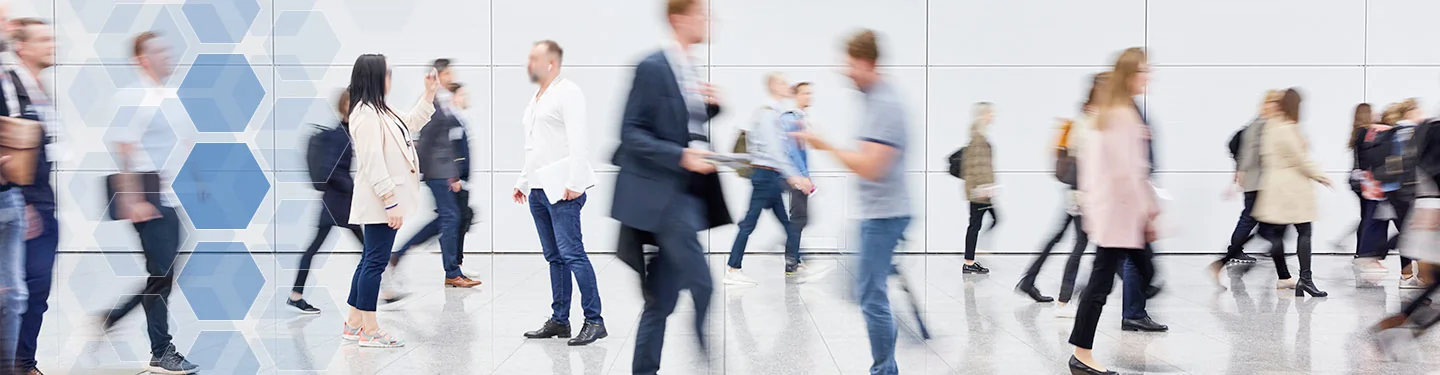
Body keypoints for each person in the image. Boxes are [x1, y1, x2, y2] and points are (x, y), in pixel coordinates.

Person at [614, 0, 730, 373]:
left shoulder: (687, 69)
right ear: (678, 20)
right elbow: (631, 133)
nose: (707, 21)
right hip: (665, 199)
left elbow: (680, 127)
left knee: (660, 301)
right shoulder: (653, 67)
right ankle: (709, 364)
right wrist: (681, 156)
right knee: (704, 285)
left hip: (687, 197)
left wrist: (710, 109)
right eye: (701, 15)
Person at [792, 28, 910, 375]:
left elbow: (872, 166)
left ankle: (885, 369)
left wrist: (822, 143)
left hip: (886, 214)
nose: (845, 71)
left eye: (849, 64)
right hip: (877, 212)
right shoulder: (876, 99)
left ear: (864, 61)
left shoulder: (885, 103)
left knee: (870, 296)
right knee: (864, 290)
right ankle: (892, 351)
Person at [106, 30, 199, 374]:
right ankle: (162, 350)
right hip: (147, 196)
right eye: (159, 51)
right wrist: (133, 200)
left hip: (169, 195)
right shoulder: (133, 97)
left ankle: (114, 316)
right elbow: (125, 148)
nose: (167, 56)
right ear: (142, 59)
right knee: (160, 275)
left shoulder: (167, 96)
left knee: (165, 273)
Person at [1067, 47, 1158, 375]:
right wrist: (1149, 209)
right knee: (1108, 281)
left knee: (1117, 276)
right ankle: (1081, 354)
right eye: (1144, 70)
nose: (1149, 76)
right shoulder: (1120, 113)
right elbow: (1128, 170)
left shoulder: (1116, 111)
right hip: (1120, 211)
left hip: (1116, 211)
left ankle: (1081, 351)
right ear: (1130, 74)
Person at [512, 40, 606, 346]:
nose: (529, 63)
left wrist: (576, 182)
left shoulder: (568, 92)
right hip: (539, 191)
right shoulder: (536, 98)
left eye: (534, 58)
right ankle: (560, 320)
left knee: (573, 254)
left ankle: (594, 320)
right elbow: (535, 146)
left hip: (563, 189)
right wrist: (523, 181)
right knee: (555, 257)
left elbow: (579, 141)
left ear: (551, 63)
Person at [343, 53, 438, 348]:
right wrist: (390, 201)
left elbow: (411, 123)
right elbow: (372, 163)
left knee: (369, 260)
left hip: (384, 201)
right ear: (373, 77)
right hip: (379, 202)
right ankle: (369, 330)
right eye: (387, 73)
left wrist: (429, 93)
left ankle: (353, 322)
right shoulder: (365, 114)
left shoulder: (381, 109)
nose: (390, 79)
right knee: (375, 263)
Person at [388, 58, 480, 289]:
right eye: (448, 74)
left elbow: (445, 144)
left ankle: (399, 253)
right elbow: (426, 141)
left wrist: (454, 173)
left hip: (443, 172)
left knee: (445, 219)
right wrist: (435, 173)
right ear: (438, 76)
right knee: (450, 218)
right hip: (437, 173)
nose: (452, 78)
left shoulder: (444, 102)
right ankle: (452, 272)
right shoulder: (431, 103)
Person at [1018, 74, 1105, 308]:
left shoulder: (1087, 117)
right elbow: (1089, 158)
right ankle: (1065, 298)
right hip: (1083, 190)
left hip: (1077, 190)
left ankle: (1029, 280)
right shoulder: (1091, 120)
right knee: (1082, 242)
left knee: (1060, 237)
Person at [725, 73, 810, 285]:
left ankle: (795, 264)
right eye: (782, 82)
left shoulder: (777, 113)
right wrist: (794, 176)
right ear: (772, 86)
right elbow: (775, 150)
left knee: (788, 224)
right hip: (764, 175)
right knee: (749, 223)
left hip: (771, 175)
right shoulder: (768, 114)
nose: (786, 86)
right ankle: (733, 268)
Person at [290, 90, 365, 314]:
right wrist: (353, 188)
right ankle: (384, 291)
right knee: (369, 249)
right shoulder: (340, 135)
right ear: (345, 106)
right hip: (339, 202)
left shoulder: (345, 132)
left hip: (334, 201)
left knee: (314, 248)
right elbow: (331, 169)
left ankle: (296, 295)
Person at [1253, 88, 1332, 297]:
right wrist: (1321, 175)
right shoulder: (1286, 128)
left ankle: (1296, 279)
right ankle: (1305, 279)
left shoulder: (1272, 126)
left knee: (1279, 233)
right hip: (1292, 188)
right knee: (1304, 232)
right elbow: (1301, 159)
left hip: (1278, 187)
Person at [1207, 90, 1282, 285]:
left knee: (1265, 226)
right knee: (1259, 223)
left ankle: (1226, 260)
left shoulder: (1261, 124)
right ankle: (1226, 259)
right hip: (1259, 182)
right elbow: (1250, 154)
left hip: (1261, 182)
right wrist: (1240, 172)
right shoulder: (1261, 125)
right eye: (1274, 102)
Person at [1359, 99, 1424, 288]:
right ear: (1409, 112)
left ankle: (1407, 274)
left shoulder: (1390, 132)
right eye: (1418, 109)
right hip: (1407, 189)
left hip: (1393, 189)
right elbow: (1410, 161)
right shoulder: (1410, 132)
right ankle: (1382, 256)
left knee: (1407, 232)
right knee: (1412, 233)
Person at [0, 15, 32, 375]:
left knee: (15, 296)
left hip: (11, 197)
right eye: (2, 20)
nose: (9, 26)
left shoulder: (7, 76)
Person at [1350, 102, 1389, 273]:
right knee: (1369, 218)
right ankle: (1364, 254)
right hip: (1366, 181)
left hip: (1357, 180)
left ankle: (1361, 253)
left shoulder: (1357, 132)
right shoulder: (1366, 132)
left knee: (1366, 217)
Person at [961, 102, 996, 274]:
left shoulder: (979, 135)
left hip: (982, 190)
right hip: (979, 192)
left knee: (978, 224)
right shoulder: (978, 137)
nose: (993, 116)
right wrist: (983, 188)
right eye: (990, 113)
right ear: (983, 115)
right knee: (976, 225)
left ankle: (971, 258)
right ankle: (970, 260)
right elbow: (976, 166)